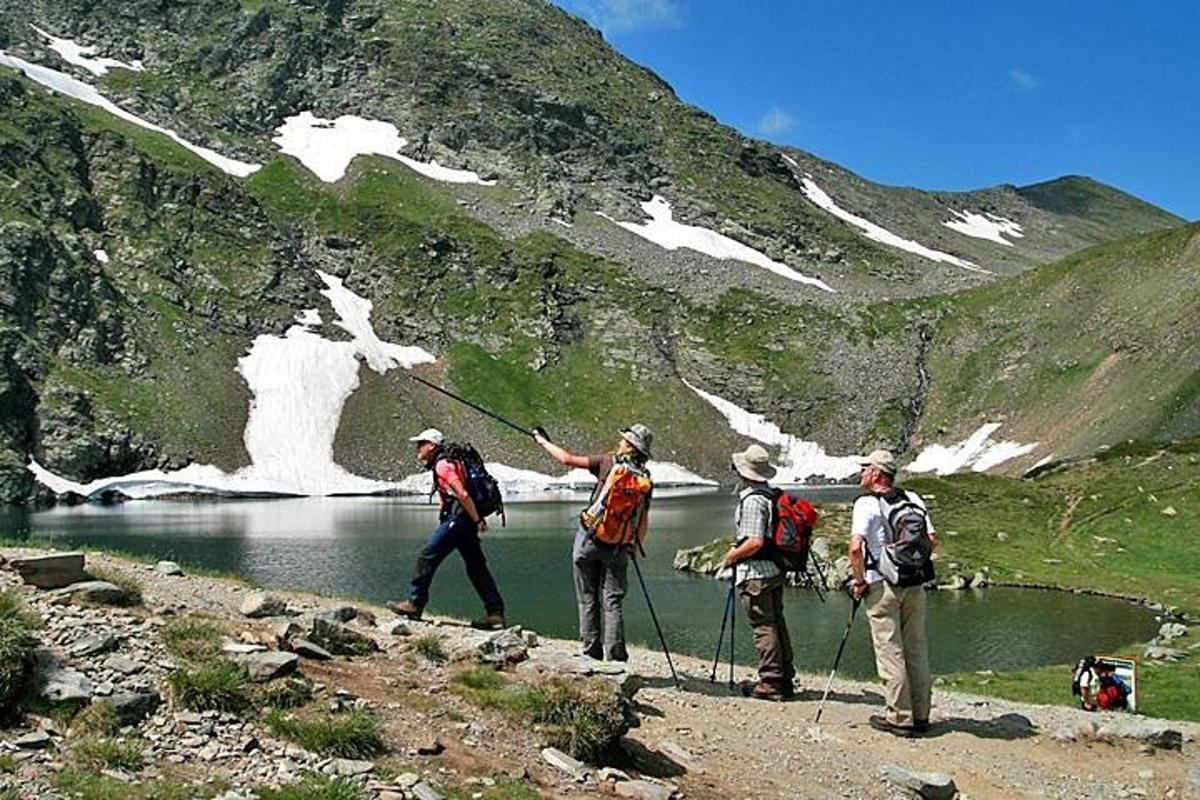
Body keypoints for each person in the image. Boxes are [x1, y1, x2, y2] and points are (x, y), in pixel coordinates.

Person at [533, 424, 654, 661]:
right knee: (613, 601)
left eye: (623, 440)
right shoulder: (645, 480)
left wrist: (542, 441)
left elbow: (567, 459)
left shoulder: (608, 463)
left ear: (629, 446)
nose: (619, 442)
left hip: (589, 539)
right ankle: (616, 656)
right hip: (619, 545)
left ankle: (590, 651)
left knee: (587, 597)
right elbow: (643, 519)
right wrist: (634, 546)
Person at [848, 449, 936, 736]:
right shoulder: (913, 499)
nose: (861, 473)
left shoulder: (865, 503)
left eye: (865, 468)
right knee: (916, 648)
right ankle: (921, 715)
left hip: (880, 584)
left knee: (890, 651)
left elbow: (855, 548)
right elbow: (931, 539)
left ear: (876, 473)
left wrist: (859, 581)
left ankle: (899, 717)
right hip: (914, 583)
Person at [388, 428, 505, 630]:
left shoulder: (443, 465)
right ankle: (495, 614)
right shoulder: (452, 461)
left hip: (458, 520)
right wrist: (475, 519)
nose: (418, 448)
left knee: (427, 557)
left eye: (421, 443)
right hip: (464, 519)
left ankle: (415, 604)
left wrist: (477, 520)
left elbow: (462, 493)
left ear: (432, 446)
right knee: (477, 567)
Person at [722, 444, 795, 701]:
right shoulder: (771, 495)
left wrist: (732, 555)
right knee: (776, 622)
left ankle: (771, 681)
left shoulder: (753, 500)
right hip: (774, 570)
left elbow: (755, 541)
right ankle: (785, 677)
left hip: (756, 574)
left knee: (763, 626)